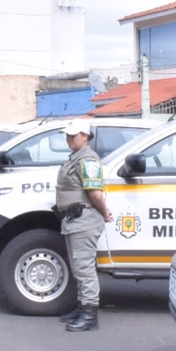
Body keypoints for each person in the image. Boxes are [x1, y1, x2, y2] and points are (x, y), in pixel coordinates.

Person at [55, 119, 113, 332]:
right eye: (67, 135)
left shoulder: (88, 160)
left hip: (84, 221)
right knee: (78, 268)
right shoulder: (76, 158)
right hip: (74, 221)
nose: (69, 139)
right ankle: (81, 308)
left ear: (85, 136)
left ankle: (90, 315)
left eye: (73, 135)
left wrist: (105, 212)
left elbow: (95, 194)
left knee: (85, 269)